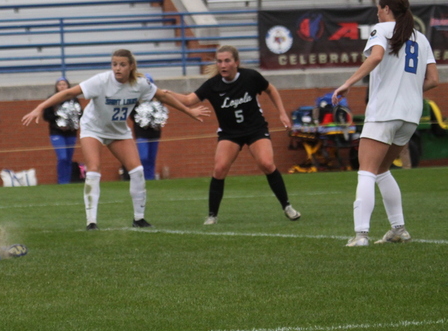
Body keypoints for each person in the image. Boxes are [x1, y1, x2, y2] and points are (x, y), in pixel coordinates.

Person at [22, 49, 210, 230]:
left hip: (118, 131)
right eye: (114, 64)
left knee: (137, 170)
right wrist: (40, 107)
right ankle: (91, 221)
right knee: (94, 169)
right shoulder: (101, 81)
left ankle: (139, 218)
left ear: (131, 66)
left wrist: (188, 111)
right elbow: (69, 93)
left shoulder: (140, 84)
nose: (117, 68)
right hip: (92, 128)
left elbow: (162, 95)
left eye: (122, 64)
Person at [332, 0, 438, 247]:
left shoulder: (382, 29)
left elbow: (376, 56)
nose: (377, 12)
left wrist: (348, 83)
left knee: (366, 170)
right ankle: (398, 228)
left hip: (385, 111)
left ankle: (361, 234)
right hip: (411, 115)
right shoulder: (421, 38)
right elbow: (433, 80)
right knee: (381, 169)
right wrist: (409, 91)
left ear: (387, 9)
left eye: (379, 7)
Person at [170, 46, 301, 225]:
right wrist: (163, 93)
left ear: (236, 63)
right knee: (219, 168)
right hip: (230, 133)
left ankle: (287, 206)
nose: (222, 65)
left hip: (255, 129)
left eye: (227, 61)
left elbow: (271, 89)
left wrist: (282, 113)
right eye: (219, 61)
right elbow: (188, 100)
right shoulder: (213, 85)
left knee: (267, 163)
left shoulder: (250, 77)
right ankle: (212, 216)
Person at [42, 77, 80, 184]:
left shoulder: (74, 99)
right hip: (57, 133)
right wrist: (58, 120)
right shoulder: (52, 99)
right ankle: (62, 181)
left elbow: (79, 114)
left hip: (71, 133)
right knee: (62, 157)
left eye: (64, 84)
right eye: (60, 85)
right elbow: (46, 116)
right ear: (56, 87)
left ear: (68, 86)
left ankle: (67, 181)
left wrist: (71, 123)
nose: (62, 86)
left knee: (68, 158)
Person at [130, 75, 166, 181]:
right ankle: (142, 177)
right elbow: (132, 115)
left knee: (152, 158)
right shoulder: (136, 100)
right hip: (141, 133)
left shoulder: (158, 100)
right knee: (143, 157)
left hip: (154, 133)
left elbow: (162, 114)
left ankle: (150, 178)